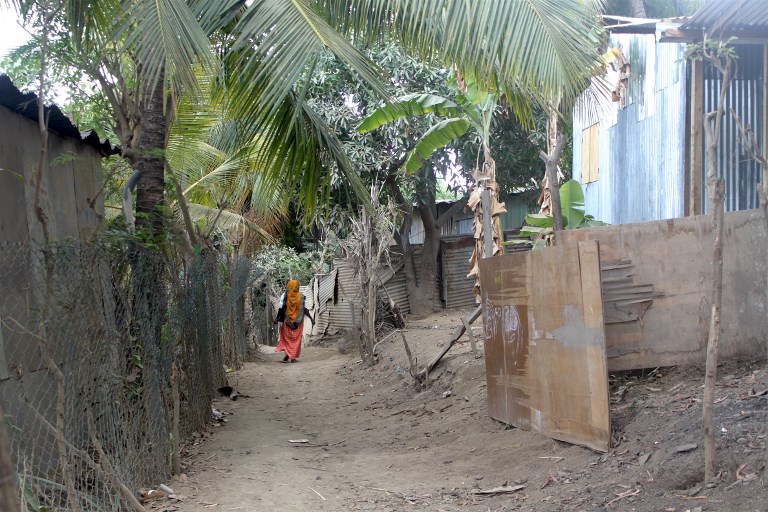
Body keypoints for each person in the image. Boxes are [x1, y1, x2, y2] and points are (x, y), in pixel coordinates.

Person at [274, 279, 314, 363]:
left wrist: (277, 319)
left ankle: (288, 354)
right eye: (298, 286)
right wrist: (311, 318)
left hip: (287, 321)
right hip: (298, 322)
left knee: (287, 339)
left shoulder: (285, 295)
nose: (298, 287)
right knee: (296, 340)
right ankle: (292, 358)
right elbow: (304, 309)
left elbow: (281, 308)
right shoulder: (301, 296)